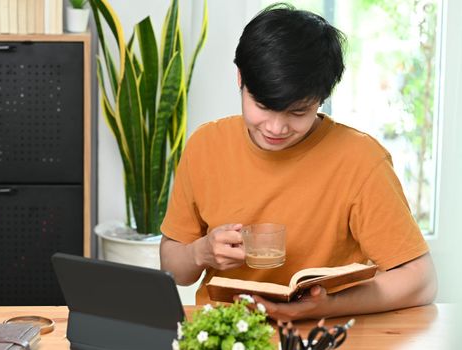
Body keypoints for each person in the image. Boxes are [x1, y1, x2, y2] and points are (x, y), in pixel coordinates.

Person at [159, 3, 437, 321]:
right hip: (224, 331)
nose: (276, 128)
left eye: (298, 112)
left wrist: (329, 305)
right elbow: (173, 268)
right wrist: (202, 251)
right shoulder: (205, 146)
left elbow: (422, 280)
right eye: (263, 106)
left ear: (322, 97)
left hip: (321, 332)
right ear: (240, 79)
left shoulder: (361, 160)